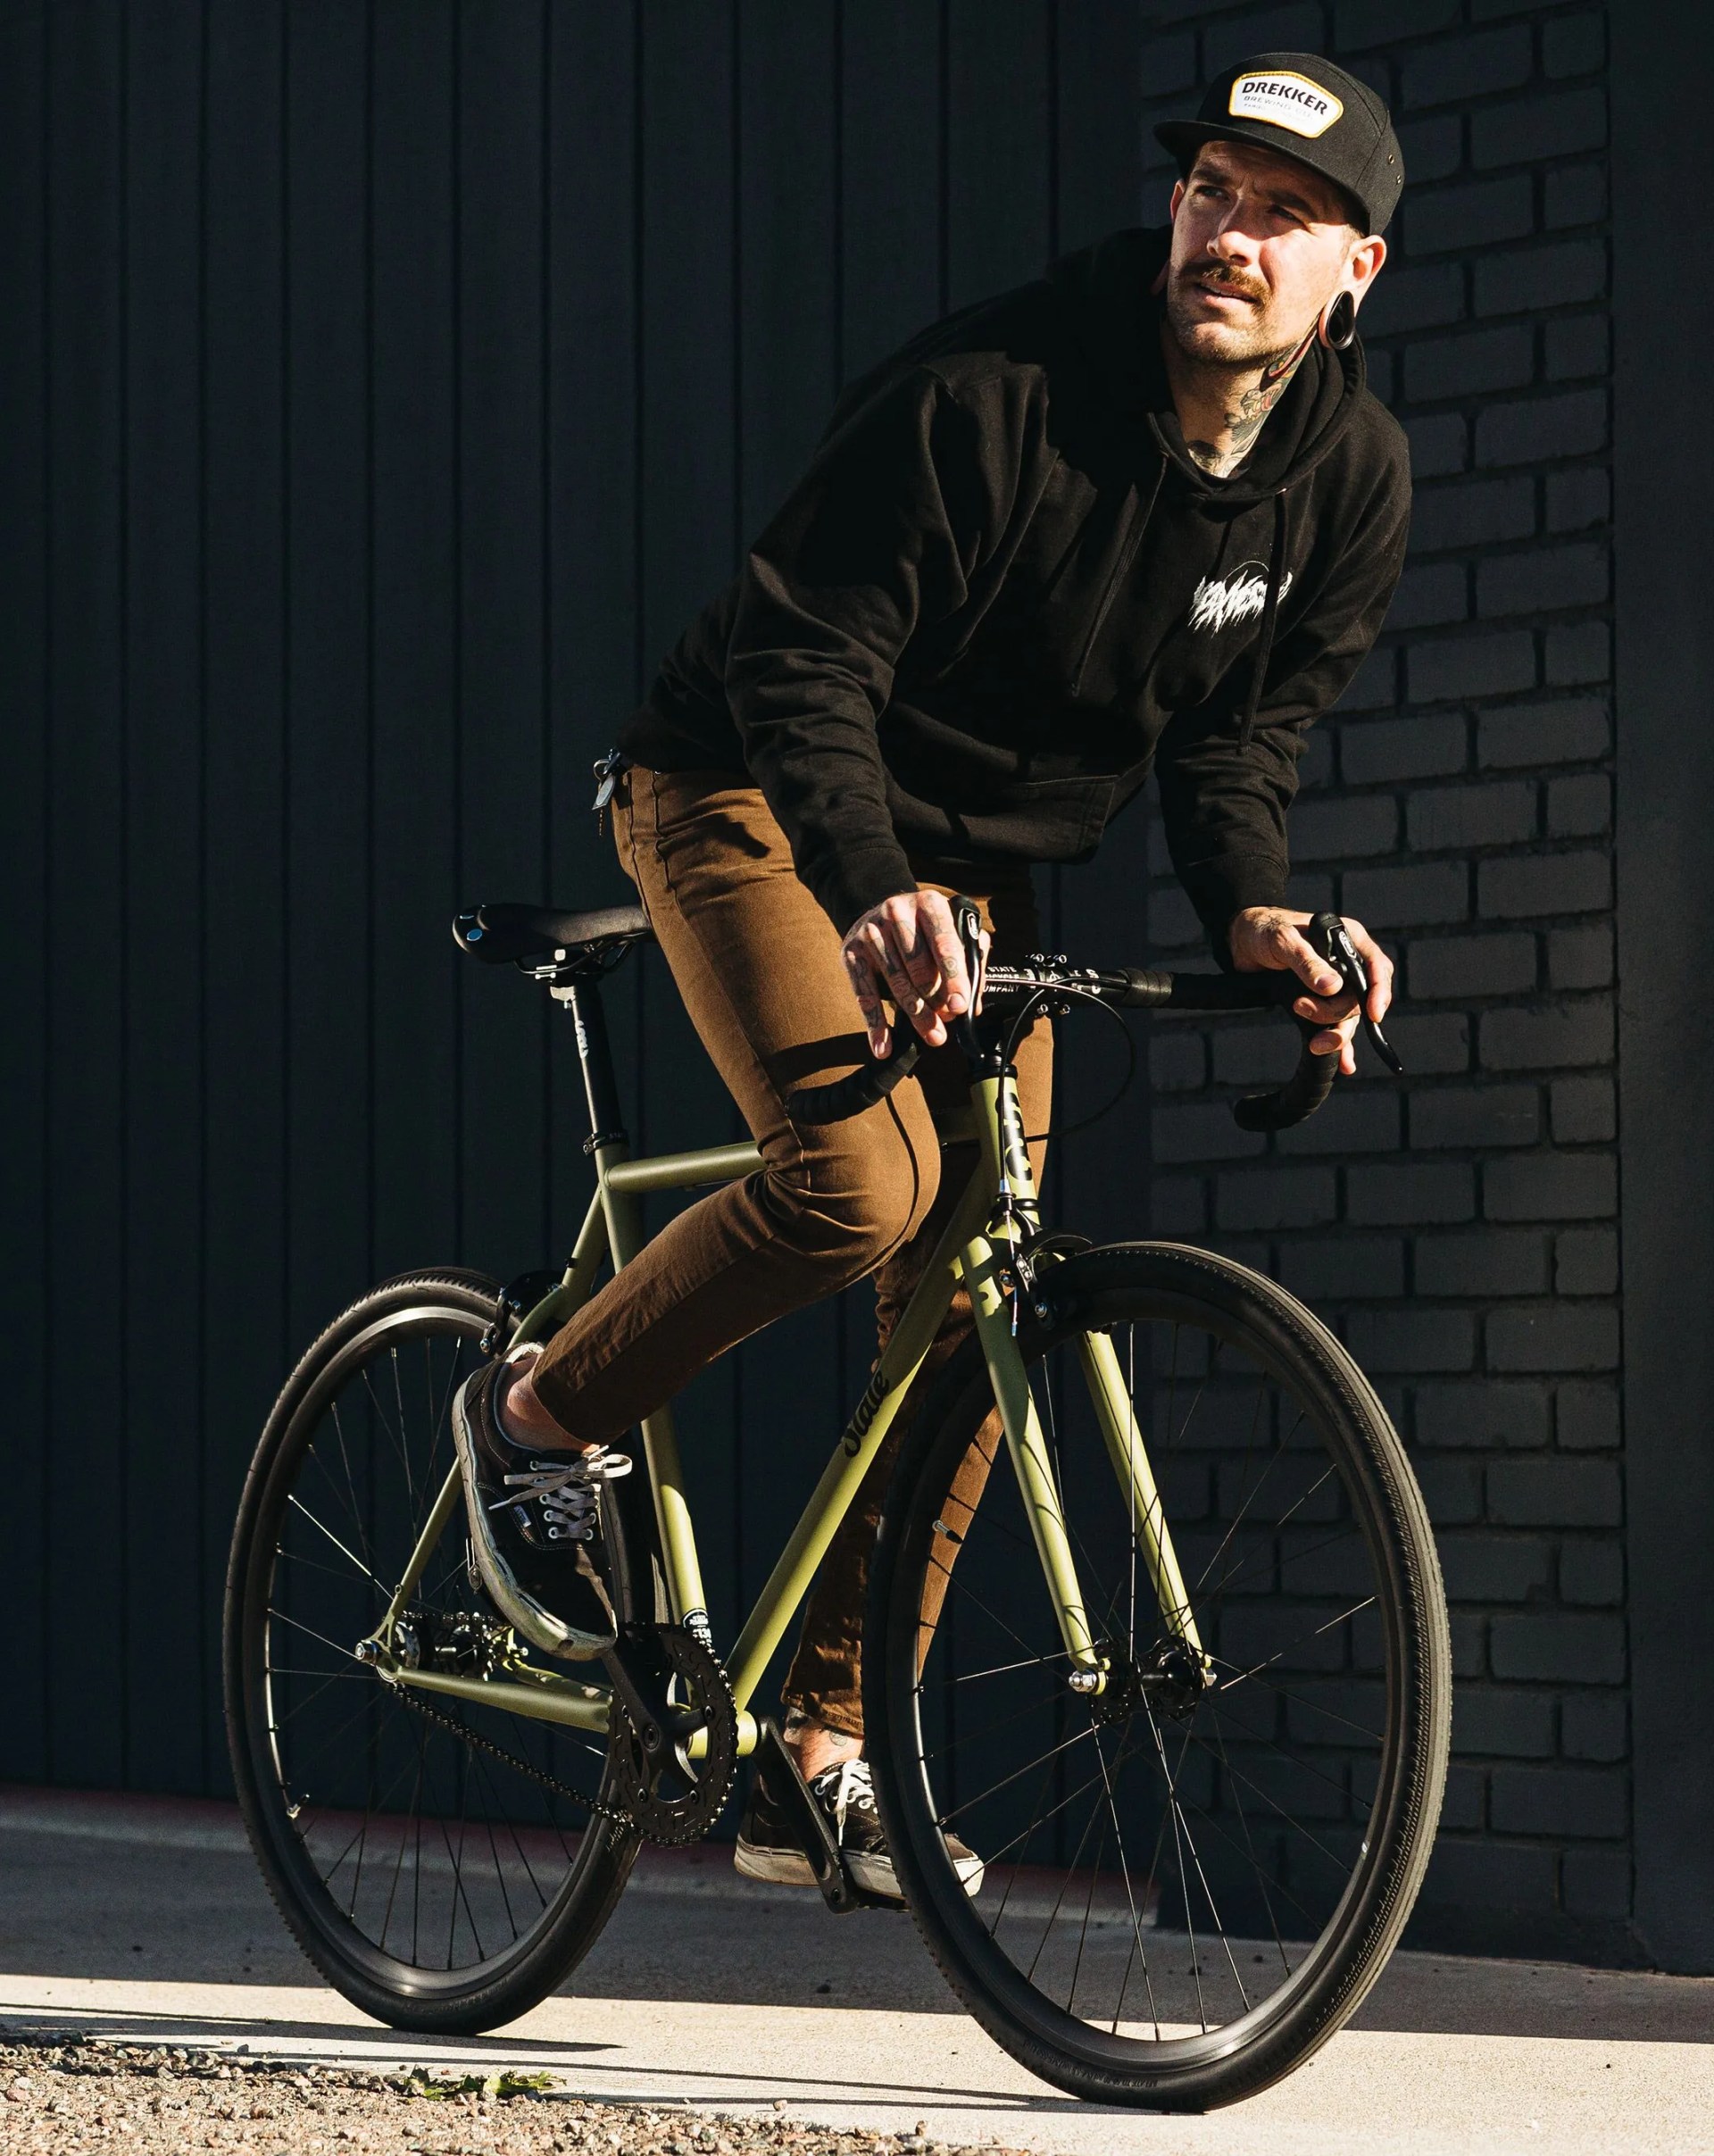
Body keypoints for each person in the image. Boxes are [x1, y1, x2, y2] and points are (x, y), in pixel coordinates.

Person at [453, 50, 1410, 1897]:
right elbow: (803, 657)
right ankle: (529, 1415)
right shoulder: (998, 393)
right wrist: (874, 881)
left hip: (965, 860)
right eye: (1215, 187)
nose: (1234, 231)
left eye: (1287, 214)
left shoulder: (1345, 482)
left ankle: (826, 1740)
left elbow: (1236, 742)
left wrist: (1257, 916)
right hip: (738, 777)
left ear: (1355, 275)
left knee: (984, 1268)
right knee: (857, 1183)